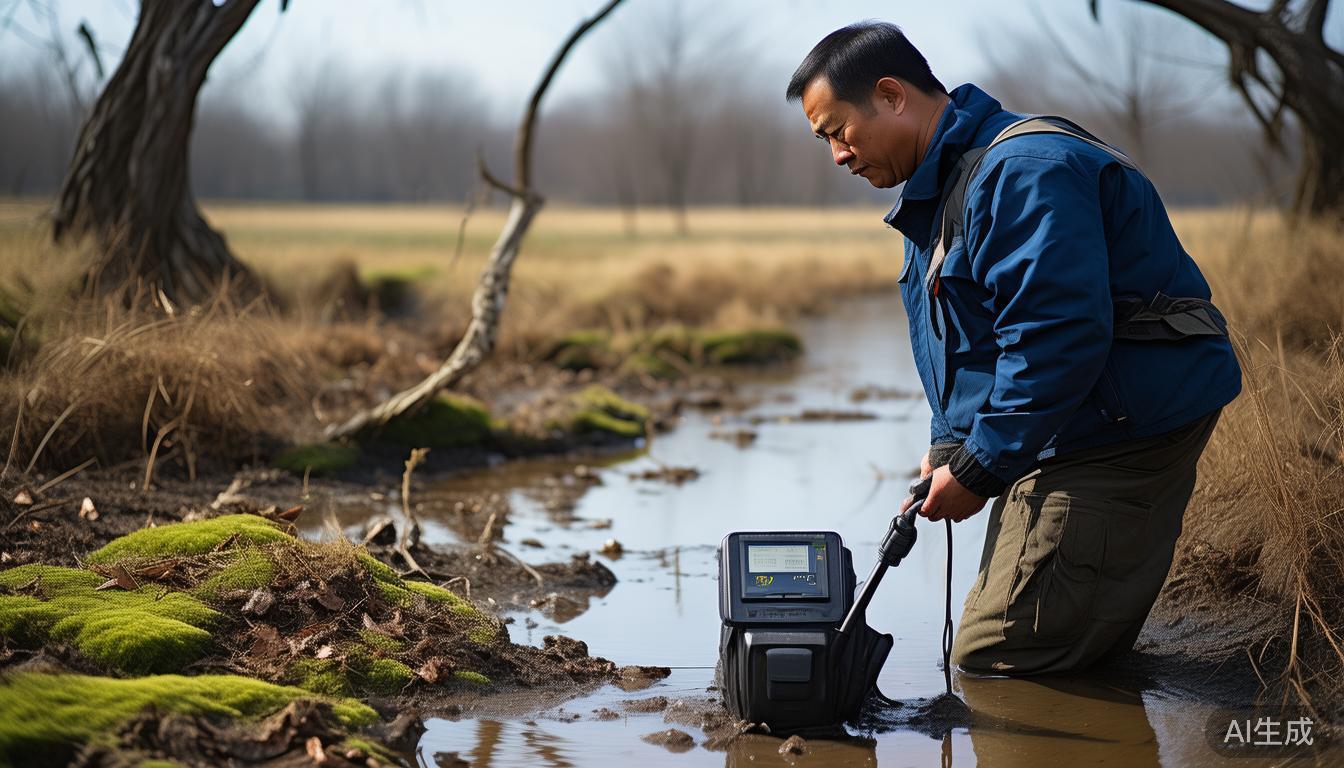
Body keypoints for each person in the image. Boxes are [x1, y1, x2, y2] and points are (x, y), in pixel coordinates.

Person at [786, 22, 1241, 674]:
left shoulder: (1022, 173)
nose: (836, 154)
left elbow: (1056, 338)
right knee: (1031, 630)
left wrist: (979, 469)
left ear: (890, 96)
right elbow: (966, 344)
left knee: (1001, 655)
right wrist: (951, 446)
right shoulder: (945, 184)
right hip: (1071, 422)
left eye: (837, 131)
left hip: (1118, 429)